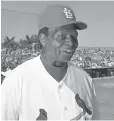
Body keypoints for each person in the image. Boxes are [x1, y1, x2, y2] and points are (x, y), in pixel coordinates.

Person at [1, 5, 98, 120]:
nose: (71, 43)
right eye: (61, 36)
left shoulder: (84, 79)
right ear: (43, 39)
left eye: (74, 36)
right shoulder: (16, 82)